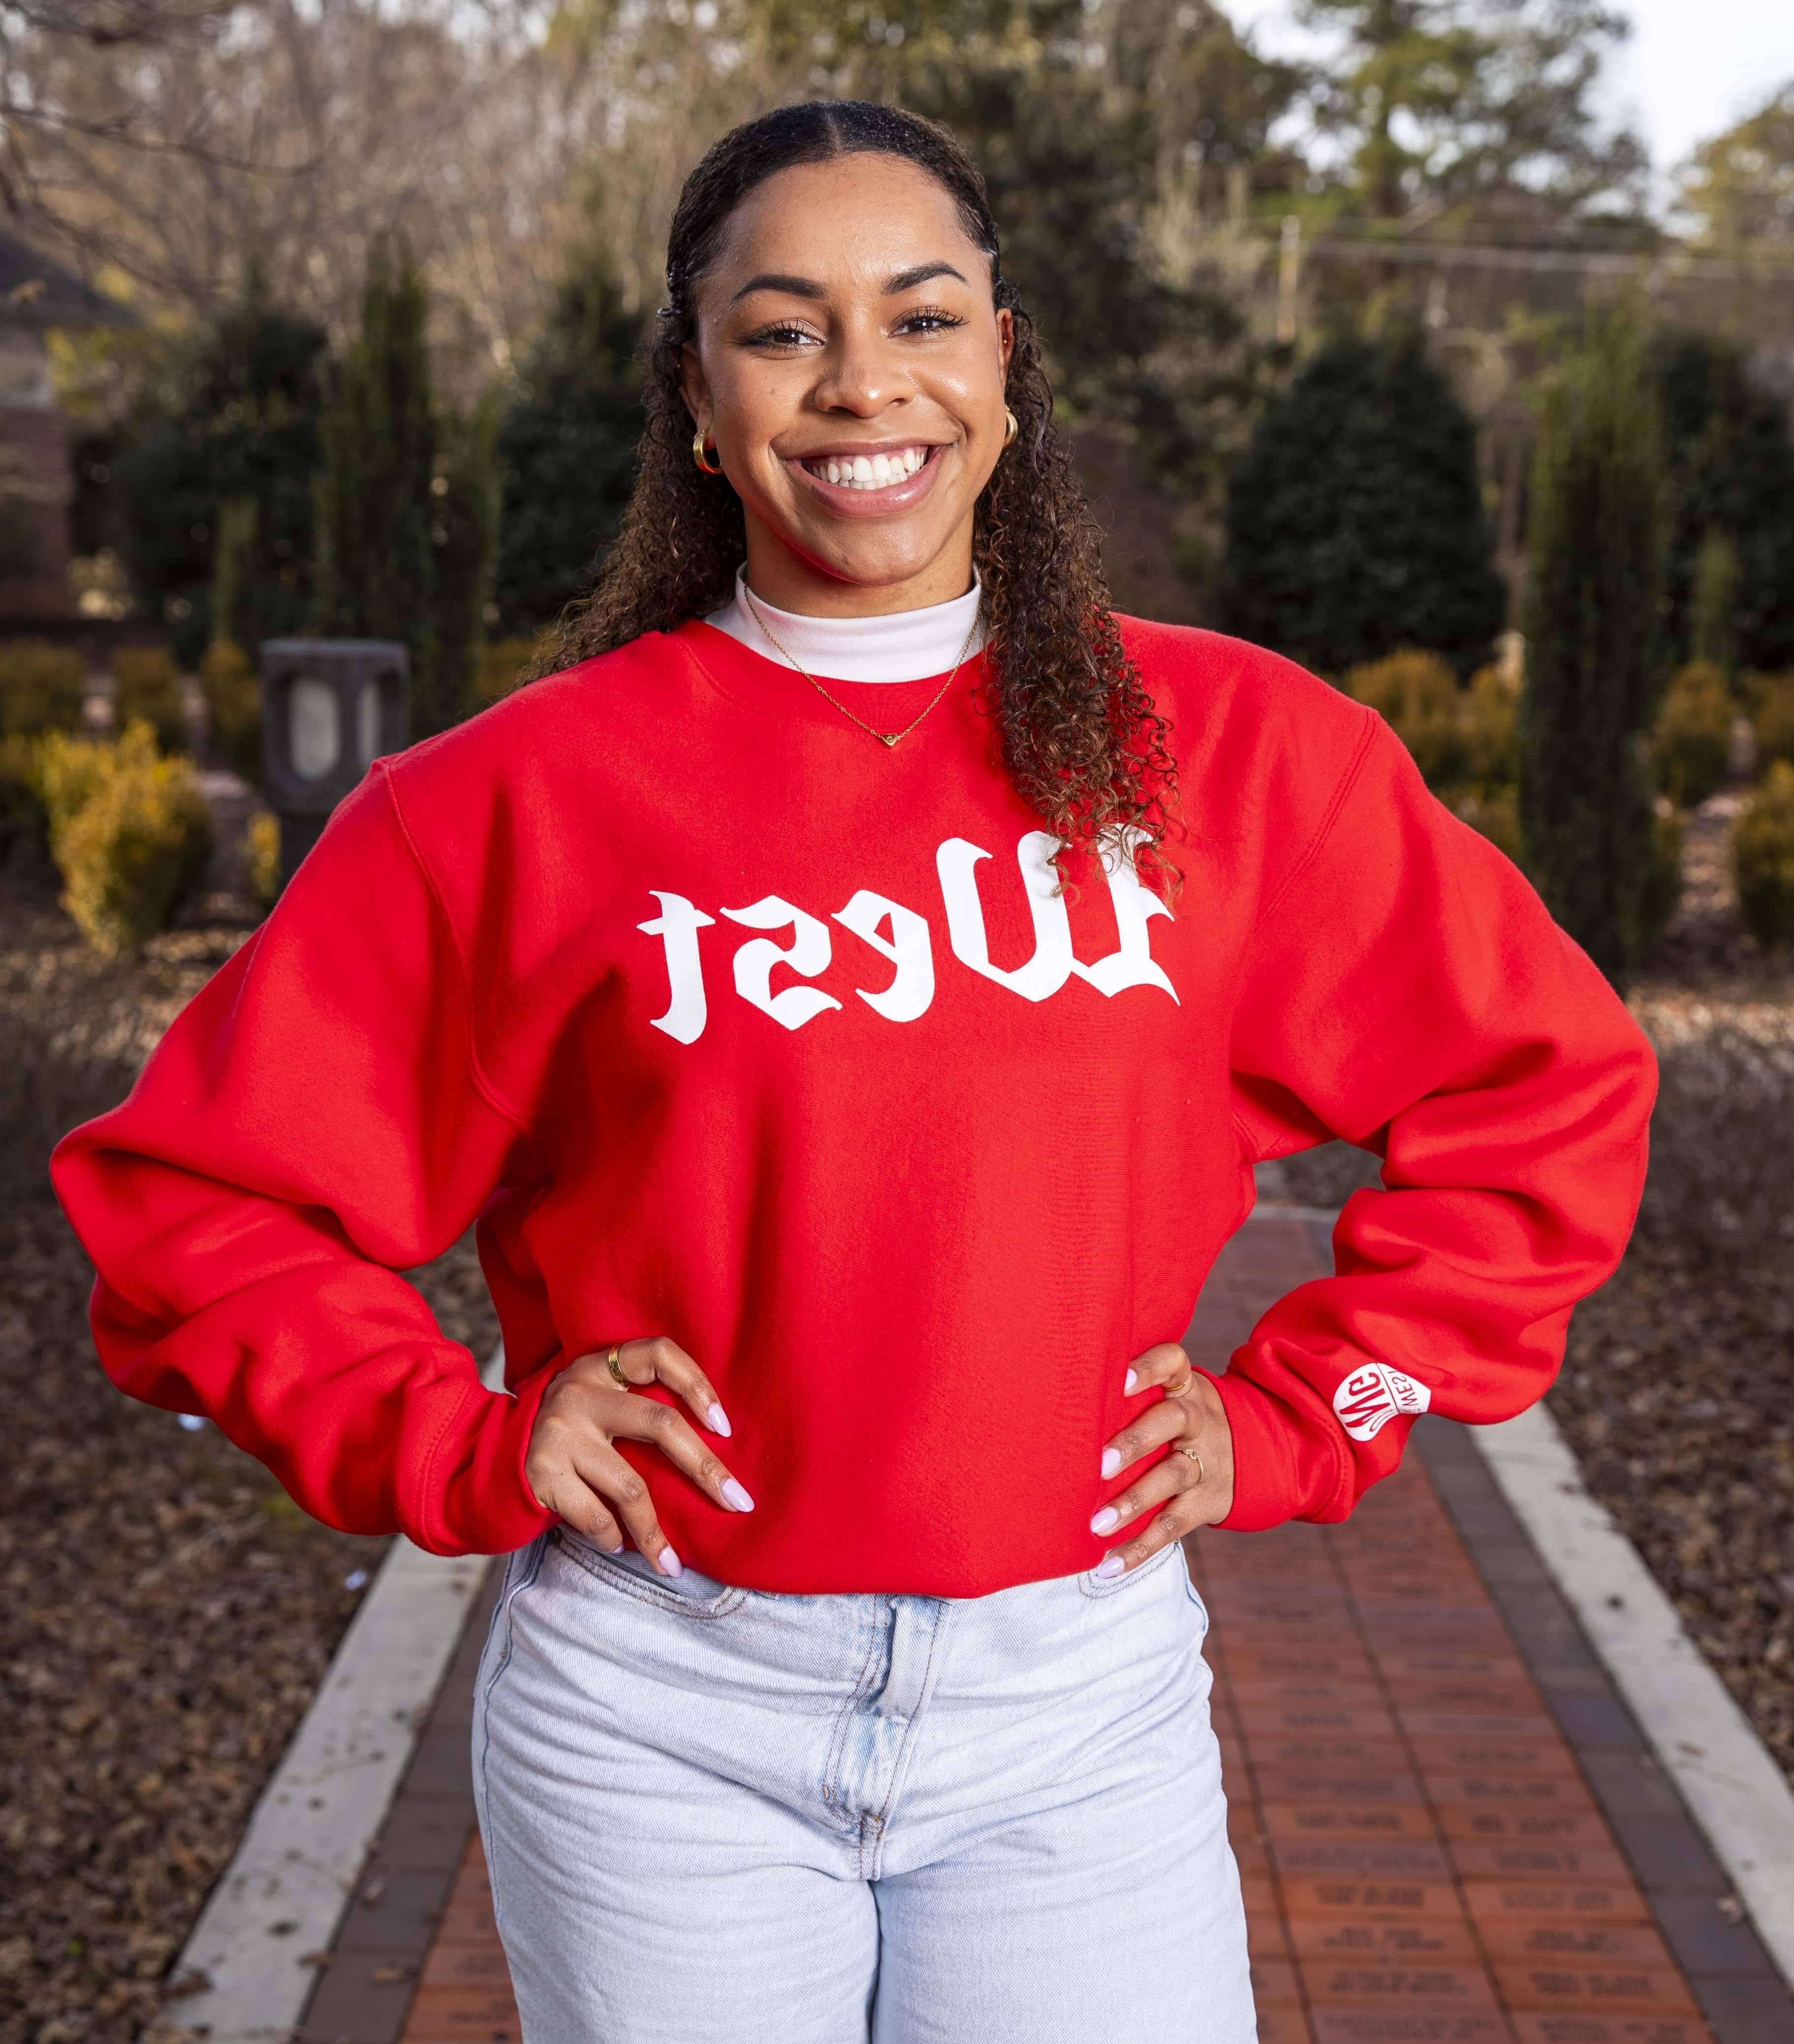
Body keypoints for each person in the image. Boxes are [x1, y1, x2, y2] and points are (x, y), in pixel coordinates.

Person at [51, 101, 1656, 2043]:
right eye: (783, 326)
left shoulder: (1233, 753)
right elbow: (189, 1210)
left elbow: (1551, 1098)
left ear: (1004, 362)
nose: (863, 382)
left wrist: (1320, 1408)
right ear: (698, 400)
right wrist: (454, 1438)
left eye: (922, 316)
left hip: (1080, 1706)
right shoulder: (512, 802)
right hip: (665, 1710)